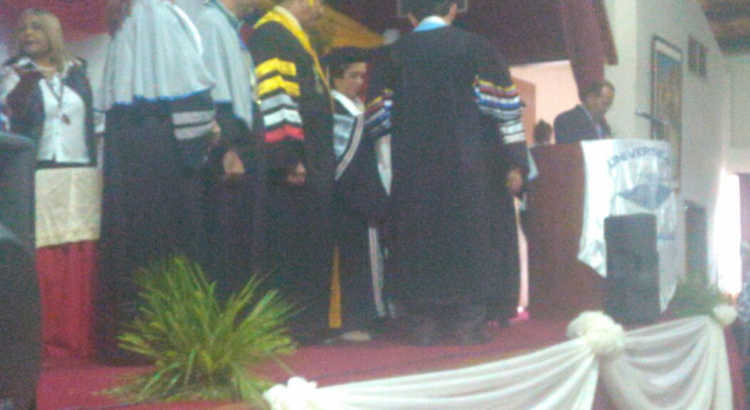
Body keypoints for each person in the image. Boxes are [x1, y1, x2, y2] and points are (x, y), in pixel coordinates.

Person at [366, 0, 529, 346]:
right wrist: (515, 161)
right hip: (469, 170)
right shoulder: (477, 48)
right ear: (453, 9)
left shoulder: (392, 55)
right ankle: (467, 323)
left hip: (412, 171)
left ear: (411, 14)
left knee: (417, 239)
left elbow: (378, 120)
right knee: (468, 238)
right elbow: (505, 111)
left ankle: (422, 324)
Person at [95, 0, 217, 364]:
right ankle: (168, 336)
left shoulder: (126, 15)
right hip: (163, 150)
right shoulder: (159, 13)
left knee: (130, 237)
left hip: (127, 146)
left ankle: (130, 336)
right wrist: (205, 137)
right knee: (167, 237)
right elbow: (189, 87)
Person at [0, 8, 98, 359]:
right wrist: (25, 83)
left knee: (77, 250)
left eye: (36, 27)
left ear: (53, 33)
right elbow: (11, 112)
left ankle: (76, 333)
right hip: (36, 170)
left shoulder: (77, 71)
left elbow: (90, 118)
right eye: (23, 28)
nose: (27, 33)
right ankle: (41, 336)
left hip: (78, 170)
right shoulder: (13, 71)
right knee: (43, 252)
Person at [248, 0, 335, 343]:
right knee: (291, 241)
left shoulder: (291, 35)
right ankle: (294, 322)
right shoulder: (272, 34)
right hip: (296, 157)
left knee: (308, 238)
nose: (320, 9)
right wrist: (289, 156)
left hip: (310, 153)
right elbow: (276, 97)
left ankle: (308, 321)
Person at [194, 0, 266, 299]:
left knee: (241, 237)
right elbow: (214, 95)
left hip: (242, 140)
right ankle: (225, 314)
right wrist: (228, 149)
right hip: (228, 148)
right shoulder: (212, 23)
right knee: (226, 237)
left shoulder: (228, 27)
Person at [323, 47, 389, 342]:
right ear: (335, 77)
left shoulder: (356, 105)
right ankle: (352, 321)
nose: (360, 82)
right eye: (353, 75)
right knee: (351, 263)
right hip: (347, 197)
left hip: (365, 192)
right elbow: (340, 161)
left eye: (363, 76)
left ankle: (372, 316)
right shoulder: (334, 110)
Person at [553, 79, 615, 144]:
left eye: (609, 105)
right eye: (604, 103)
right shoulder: (566, 120)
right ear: (591, 98)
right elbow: (569, 148)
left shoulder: (604, 126)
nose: (606, 109)